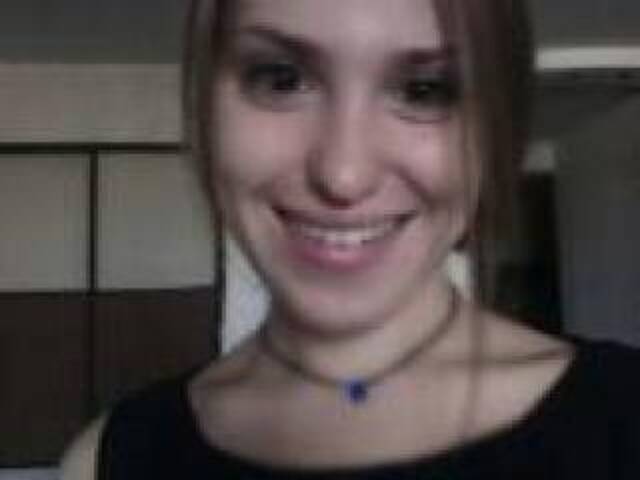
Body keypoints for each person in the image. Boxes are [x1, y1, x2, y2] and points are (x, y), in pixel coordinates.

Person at [62, 0, 640, 478]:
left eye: (423, 90)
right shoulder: (109, 460)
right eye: (282, 80)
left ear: (493, 136)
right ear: (203, 111)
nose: (344, 176)